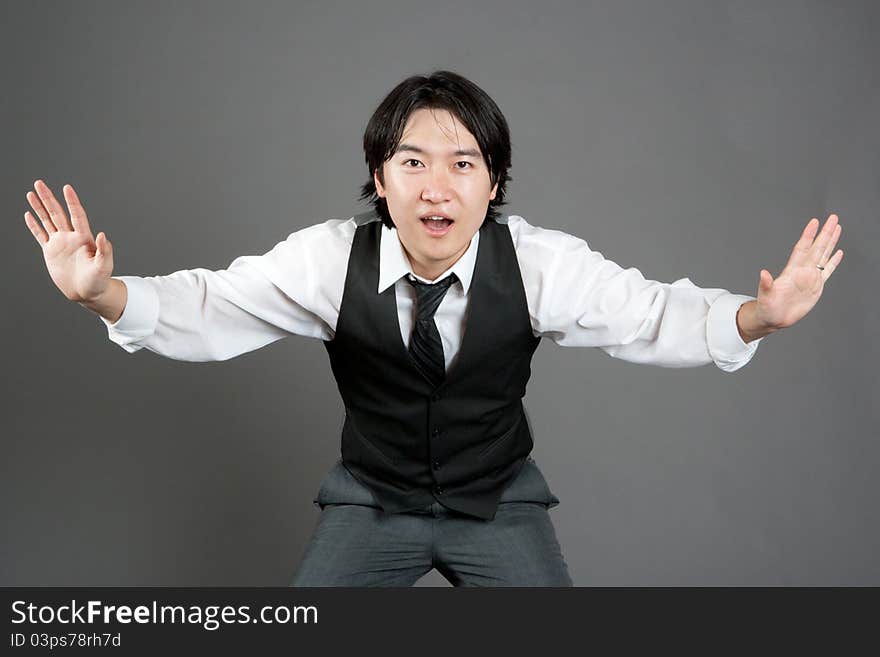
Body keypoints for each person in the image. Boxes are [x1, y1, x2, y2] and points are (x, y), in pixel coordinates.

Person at [22, 70, 844, 586]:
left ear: (494, 185)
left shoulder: (537, 262)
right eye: (413, 162)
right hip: (371, 502)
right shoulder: (326, 260)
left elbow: (652, 313)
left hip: (499, 503)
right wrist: (104, 293)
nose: (436, 187)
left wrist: (758, 316)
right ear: (381, 178)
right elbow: (210, 307)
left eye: (464, 164)